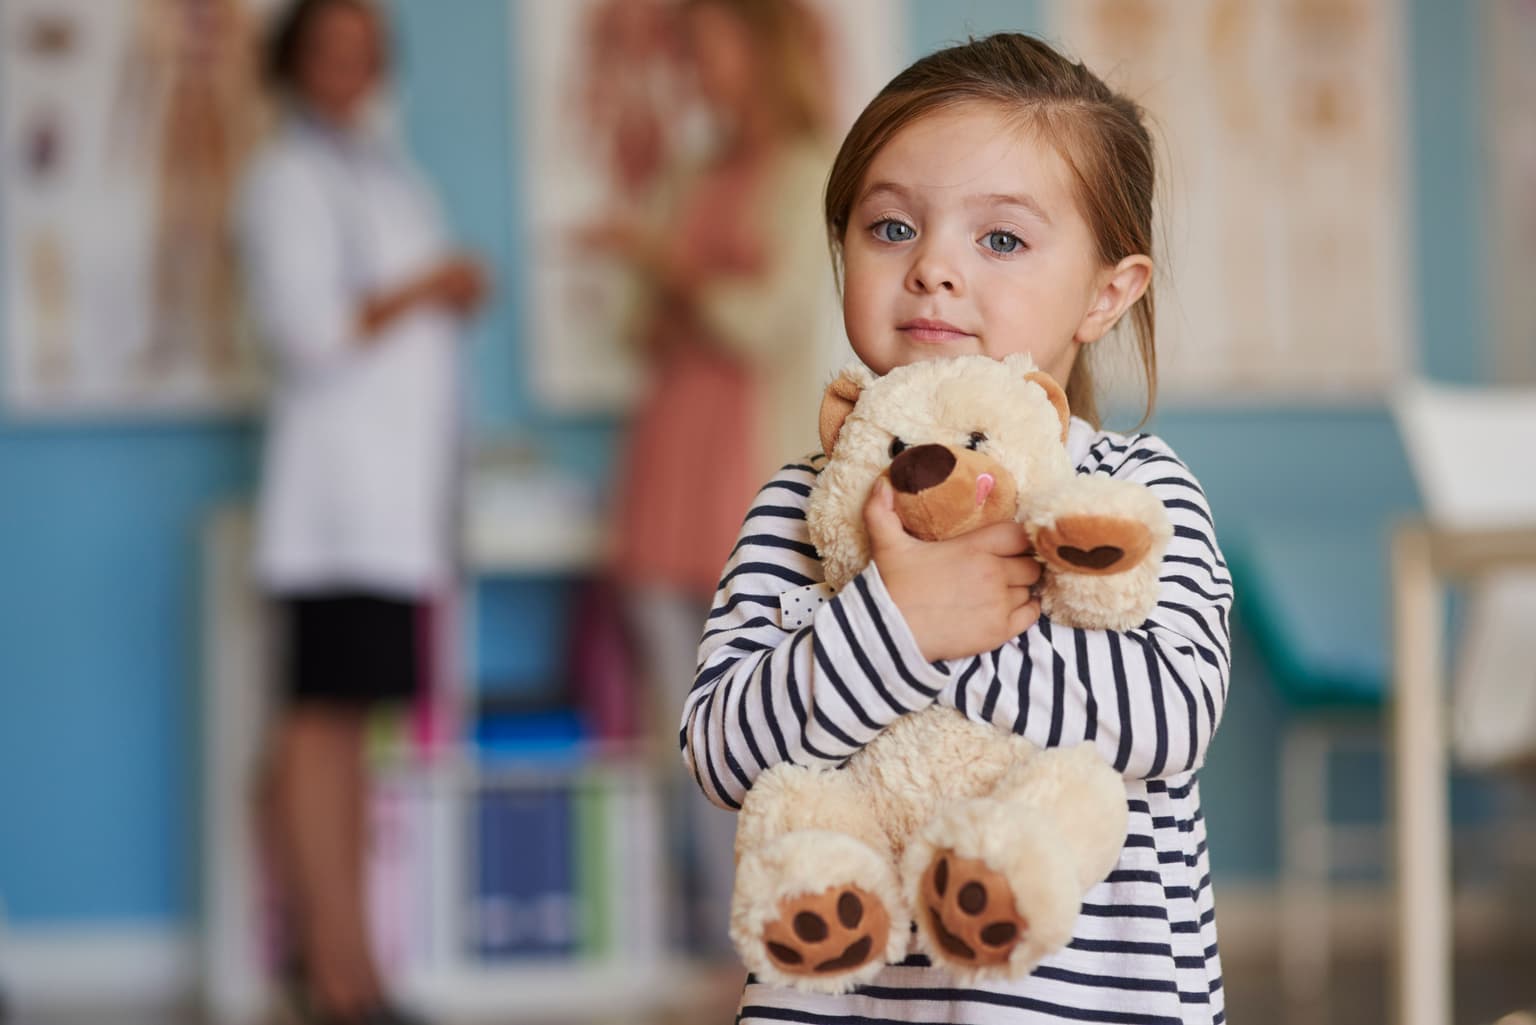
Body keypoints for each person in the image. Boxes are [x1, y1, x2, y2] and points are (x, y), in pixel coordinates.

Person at [681, 32, 1233, 1025]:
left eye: (1002, 239)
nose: (933, 267)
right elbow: (723, 754)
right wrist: (894, 620)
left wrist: (958, 633)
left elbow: (1171, 715)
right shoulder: (798, 509)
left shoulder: (1132, 493)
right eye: (890, 228)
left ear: (1108, 293)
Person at [236, 1, 485, 1022]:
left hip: (393, 506)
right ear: (290, 62)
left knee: (351, 731)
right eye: (330, 49)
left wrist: (435, 290)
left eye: (366, 50)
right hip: (336, 506)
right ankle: (335, 973)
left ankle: (357, 968)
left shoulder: (384, 172)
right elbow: (308, 329)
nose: (351, 68)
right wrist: (431, 284)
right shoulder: (284, 180)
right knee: (317, 725)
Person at [595, 0, 844, 954]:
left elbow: (765, 318)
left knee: (763, 717)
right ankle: (709, 934)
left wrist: (665, 269)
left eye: (706, 48)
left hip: (746, 468)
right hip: (666, 457)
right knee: (681, 716)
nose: (694, 68)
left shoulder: (806, 169)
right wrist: (670, 288)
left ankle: (773, 931)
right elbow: (634, 325)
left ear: (758, 49)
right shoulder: (691, 173)